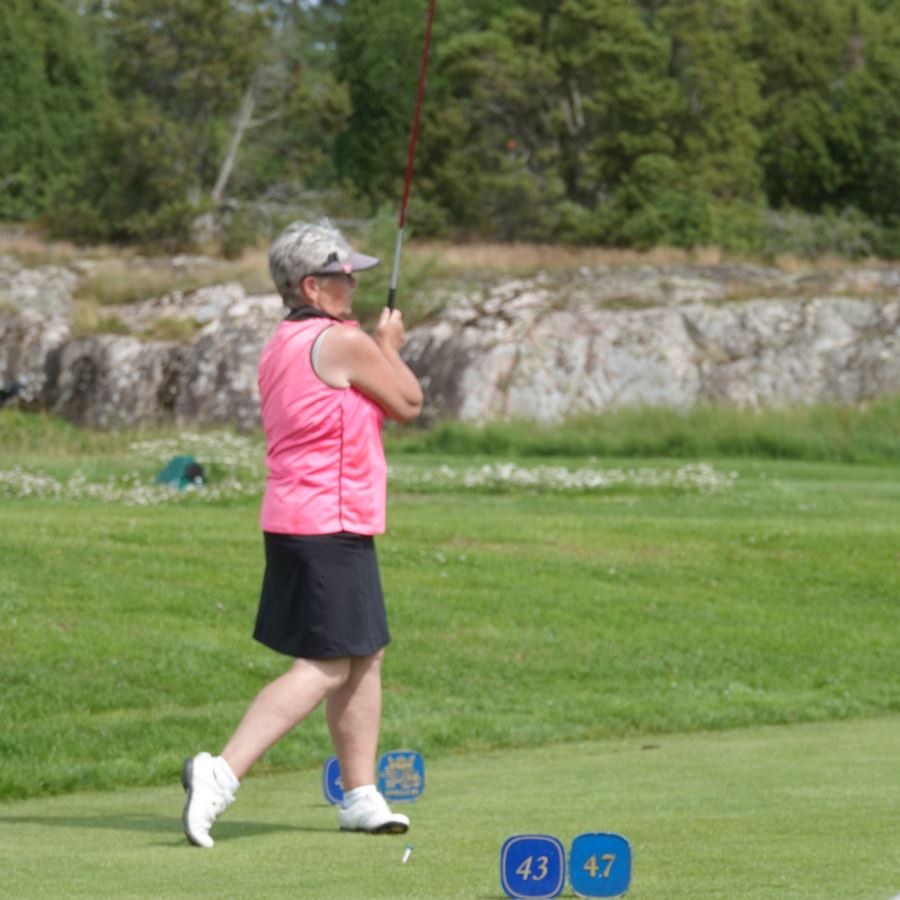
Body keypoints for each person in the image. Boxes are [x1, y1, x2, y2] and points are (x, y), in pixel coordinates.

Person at [182, 220, 423, 849]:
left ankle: (361, 795)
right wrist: (389, 345)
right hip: (326, 520)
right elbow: (408, 403)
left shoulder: (282, 342)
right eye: (342, 276)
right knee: (327, 663)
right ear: (310, 287)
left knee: (364, 652)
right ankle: (220, 773)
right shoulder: (341, 340)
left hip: (310, 518)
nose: (353, 285)